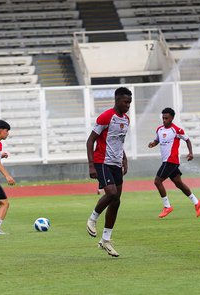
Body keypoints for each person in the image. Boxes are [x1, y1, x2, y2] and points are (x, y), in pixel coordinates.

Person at [86, 87, 132, 257]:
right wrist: (91, 165)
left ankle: (105, 240)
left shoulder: (126, 119)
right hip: (102, 161)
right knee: (111, 193)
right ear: (117, 100)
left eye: (129, 102)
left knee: (116, 201)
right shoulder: (106, 116)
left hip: (115, 163)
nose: (128, 105)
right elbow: (90, 141)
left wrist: (124, 159)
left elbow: (118, 141)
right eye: (125, 102)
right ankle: (92, 219)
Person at [148, 108, 200, 218]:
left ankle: (167, 206)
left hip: (171, 161)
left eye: (166, 118)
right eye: (163, 118)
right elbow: (158, 140)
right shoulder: (159, 129)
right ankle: (197, 202)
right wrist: (153, 143)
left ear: (172, 118)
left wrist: (190, 153)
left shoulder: (176, 130)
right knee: (178, 183)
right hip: (167, 161)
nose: (164, 120)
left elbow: (187, 139)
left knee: (157, 181)